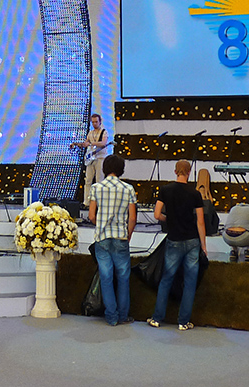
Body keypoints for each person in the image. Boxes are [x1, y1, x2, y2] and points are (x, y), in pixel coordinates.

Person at [148, 160, 206, 330]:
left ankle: (157, 318)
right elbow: (200, 221)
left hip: (174, 240)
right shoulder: (195, 194)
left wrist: (169, 219)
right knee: (190, 282)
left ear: (175, 172)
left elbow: (157, 214)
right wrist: (203, 245)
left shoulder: (165, 190)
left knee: (166, 279)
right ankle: (183, 321)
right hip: (192, 240)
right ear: (189, 172)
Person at [88, 154, 137, 326]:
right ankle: (123, 316)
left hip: (102, 238)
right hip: (120, 236)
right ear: (121, 169)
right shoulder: (128, 189)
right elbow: (132, 218)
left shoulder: (96, 187)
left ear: (104, 169)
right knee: (123, 278)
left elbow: (91, 215)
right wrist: (128, 235)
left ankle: (111, 317)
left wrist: (100, 224)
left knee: (106, 277)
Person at [78, 113, 113, 212]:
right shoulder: (90, 133)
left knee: (99, 181)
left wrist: (91, 143)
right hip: (91, 159)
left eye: (96, 122)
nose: (94, 124)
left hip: (100, 158)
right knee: (88, 180)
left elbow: (103, 143)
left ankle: (99, 203)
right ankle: (86, 202)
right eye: (93, 122)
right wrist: (79, 144)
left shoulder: (104, 132)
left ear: (100, 122)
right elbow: (86, 142)